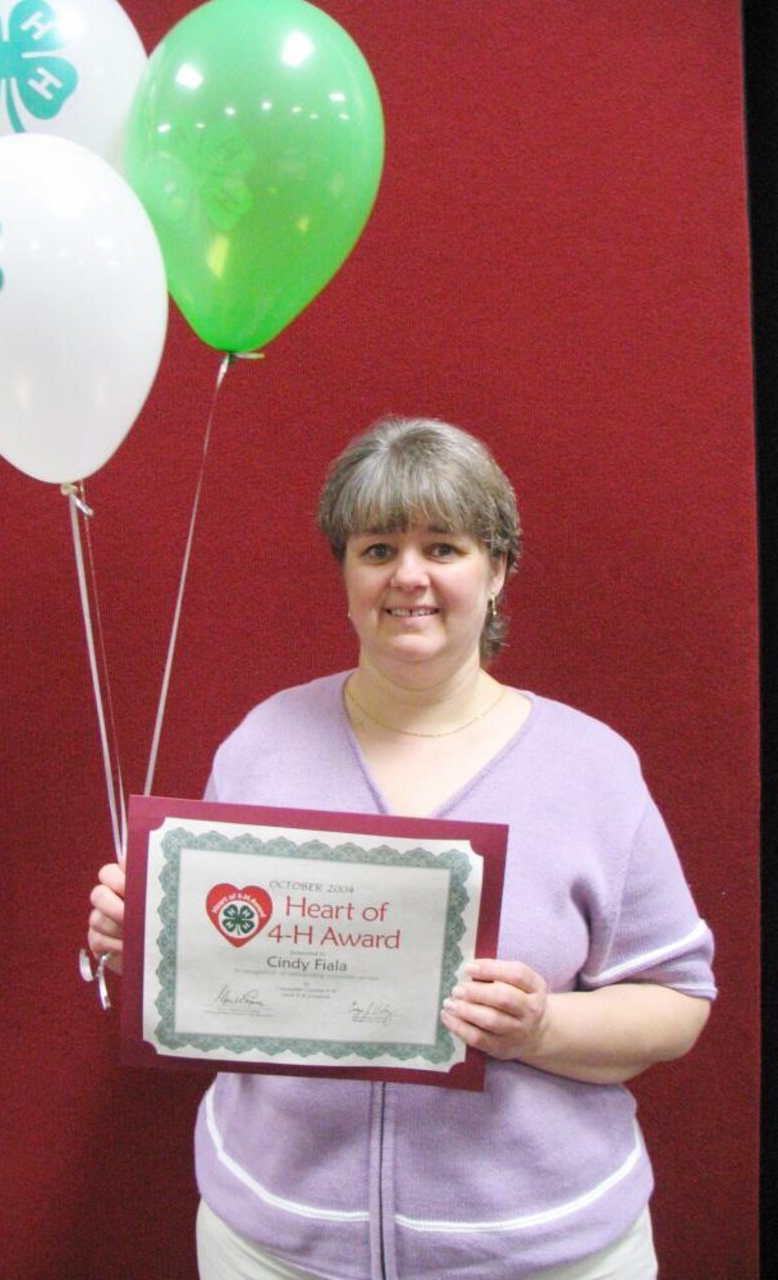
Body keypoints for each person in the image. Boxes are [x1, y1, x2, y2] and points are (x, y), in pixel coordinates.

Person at [87, 416, 715, 1280]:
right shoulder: (263, 744)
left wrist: (538, 1027)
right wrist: (144, 946)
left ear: (497, 572)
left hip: (540, 1253)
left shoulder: (592, 766)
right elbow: (217, 975)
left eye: (445, 548)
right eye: (378, 548)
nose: (409, 577)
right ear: (345, 575)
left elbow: (678, 1002)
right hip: (276, 1247)